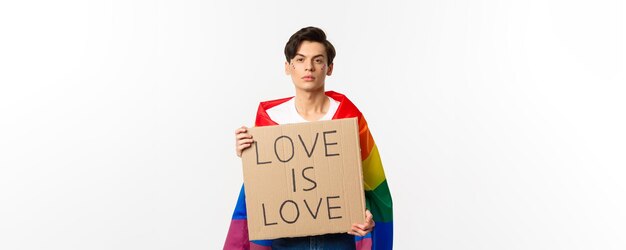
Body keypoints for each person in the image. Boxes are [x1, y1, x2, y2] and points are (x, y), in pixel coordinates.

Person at [224, 27, 393, 250]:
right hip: (285, 241)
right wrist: (246, 152)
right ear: (288, 67)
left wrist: (367, 219)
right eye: (300, 59)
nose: (309, 67)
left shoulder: (349, 119)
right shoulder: (271, 119)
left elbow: (371, 184)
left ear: (329, 68)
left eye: (318, 60)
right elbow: (262, 187)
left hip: (338, 240)